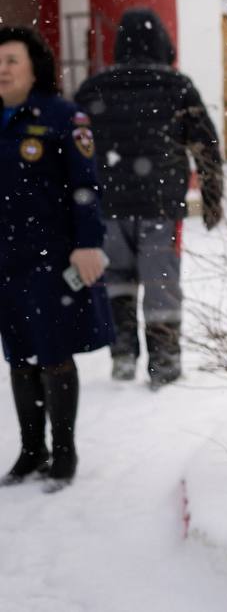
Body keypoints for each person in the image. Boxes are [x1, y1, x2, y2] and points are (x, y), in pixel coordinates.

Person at [75, 7, 223, 387]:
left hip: (108, 206)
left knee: (116, 280)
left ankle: (123, 354)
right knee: (161, 284)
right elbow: (205, 145)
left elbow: (73, 150)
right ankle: (165, 361)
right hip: (160, 205)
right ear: (162, 42)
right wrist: (211, 198)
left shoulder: (93, 89)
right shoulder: (177, 87)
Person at [0, 25, 112, 492]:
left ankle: (63, 453)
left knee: (53, 353)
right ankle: (32, 451)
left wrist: (88, 243)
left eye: (11, 60)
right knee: (19, 356)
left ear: (34, 67)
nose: (2, 69)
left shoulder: (63, 116)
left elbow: (86, 185)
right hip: (6, 259)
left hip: (50, 257)